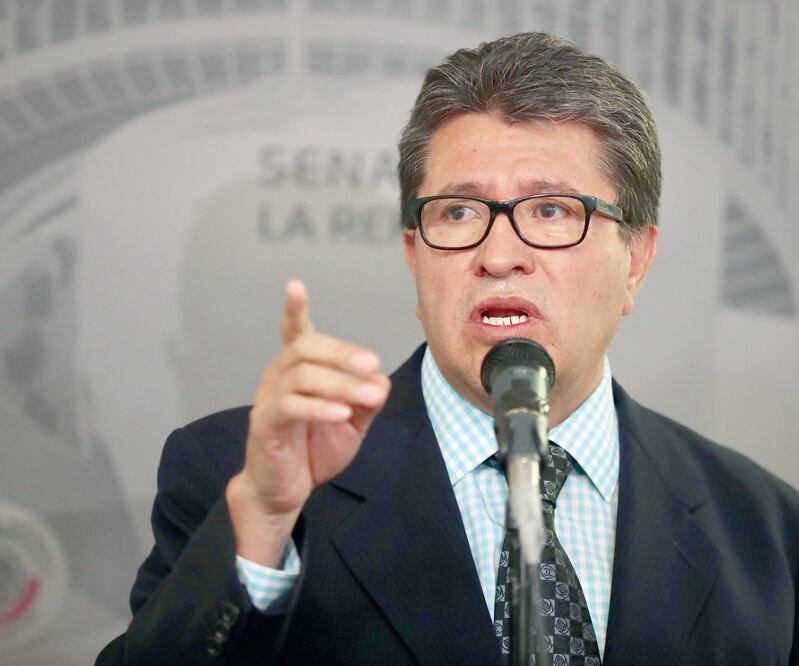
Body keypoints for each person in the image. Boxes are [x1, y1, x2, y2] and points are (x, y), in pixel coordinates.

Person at [97, 32, 799, 665]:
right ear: (413, 253)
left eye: (551, 210)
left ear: (636, 259)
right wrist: (261, 519)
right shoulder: (238, 479)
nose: (498, 254)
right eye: (459, 212)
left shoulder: (763, 527)